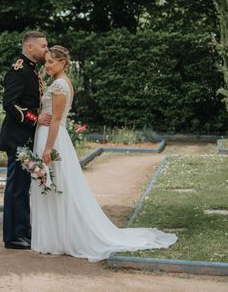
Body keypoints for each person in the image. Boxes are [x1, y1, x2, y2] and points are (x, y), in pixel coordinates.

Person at [30, 45, 177, 261]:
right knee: (52, 186)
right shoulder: (58, 83)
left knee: (56, 185)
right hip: (47, 136)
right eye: (46, 62)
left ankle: (61, 237)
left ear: (63, 62)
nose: (47, 65)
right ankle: (55, 236)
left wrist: (48, 148)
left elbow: (58, 120)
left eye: (51, 61)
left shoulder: (60, 85)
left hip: (52, 139)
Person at [0, 31, 51, 250]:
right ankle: (13, 237)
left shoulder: (31, 70)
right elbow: (9, 104)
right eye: (43, 46)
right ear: (30, 47)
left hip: (25, 138)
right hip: (16, 138)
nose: (46, 49)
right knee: (16, 188)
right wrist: (34, 119)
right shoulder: (19, 70)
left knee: (23, 187)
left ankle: (23, 231)